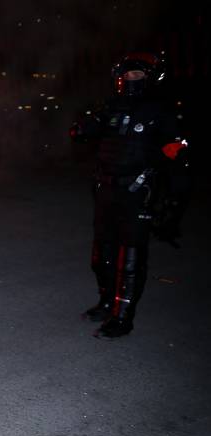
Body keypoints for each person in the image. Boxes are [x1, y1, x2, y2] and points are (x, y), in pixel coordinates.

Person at [70, 52, 189, 339]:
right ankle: (106, 302)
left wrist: (174, 200)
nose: (131, 78)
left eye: (138, 74)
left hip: (138, 191)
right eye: (127, 74)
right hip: (106, 188)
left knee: (130, 259)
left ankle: (123, 317)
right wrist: (85, 123)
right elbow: (81, 133)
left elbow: (177, 156)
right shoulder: (111, 105)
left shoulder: (160, 111)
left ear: (150, 78)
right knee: (101, 254)